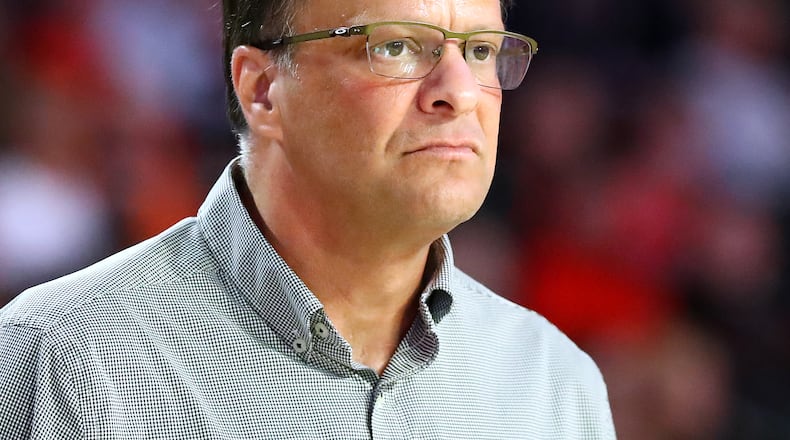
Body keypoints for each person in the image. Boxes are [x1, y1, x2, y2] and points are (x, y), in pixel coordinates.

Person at [0, 0, 615, 437]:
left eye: (480, 51)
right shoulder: (56, 364)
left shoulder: (554, 384)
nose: (458, 90)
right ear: (261, 89)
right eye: (395, 45)